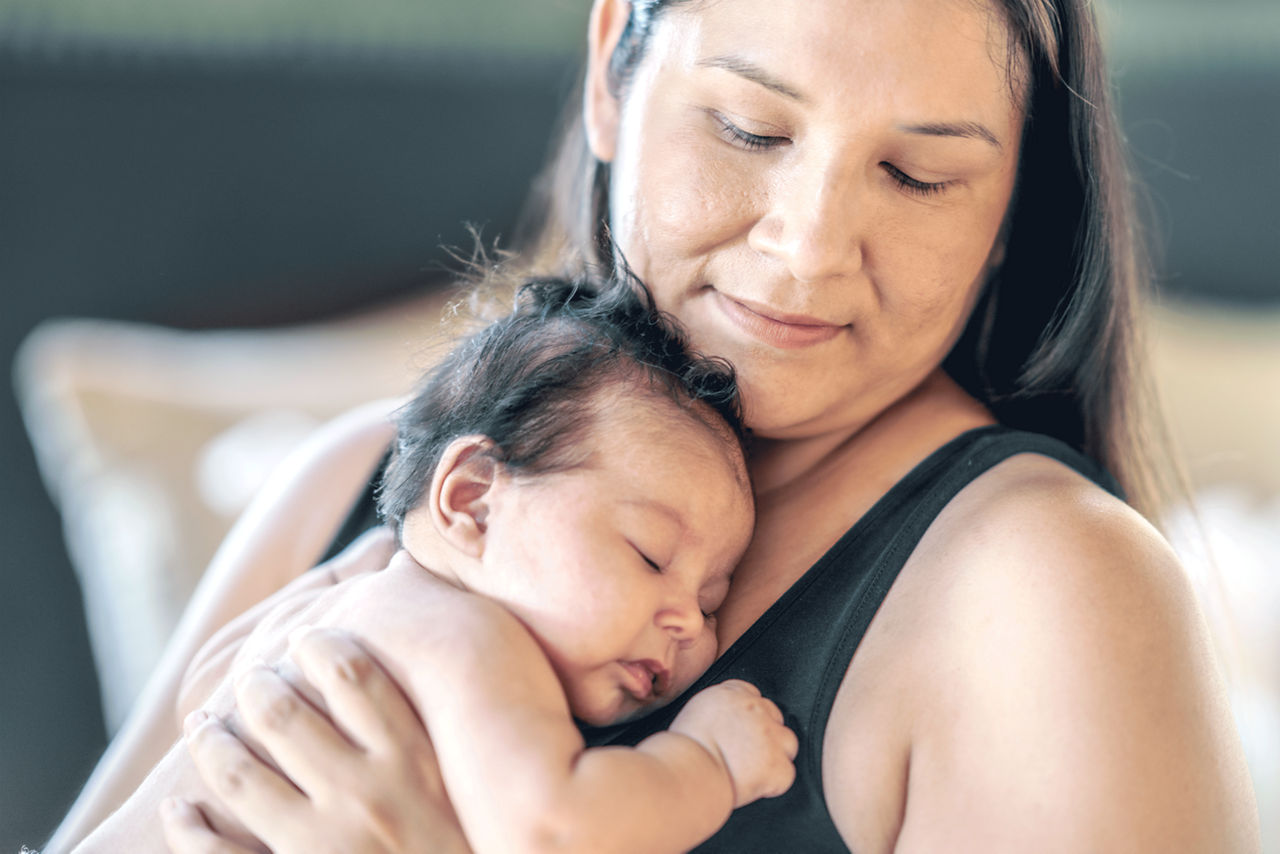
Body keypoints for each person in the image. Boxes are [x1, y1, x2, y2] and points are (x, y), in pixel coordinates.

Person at [49, 0, 1261, 851]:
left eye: (915, 176)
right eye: (747, 128)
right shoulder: (346, 485)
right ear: (608, 74)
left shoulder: (1043, 595)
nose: (805, 248)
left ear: (1009, 207)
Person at [71, 276, 799, 853]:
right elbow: (554, 831)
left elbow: (201, 691)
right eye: (649, 555)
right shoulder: (468, 636)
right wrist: (710, 761)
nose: (686, 621)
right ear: (474, 499)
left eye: (710, 601)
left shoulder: (324, 606)